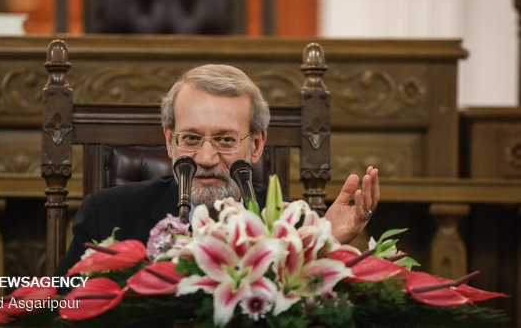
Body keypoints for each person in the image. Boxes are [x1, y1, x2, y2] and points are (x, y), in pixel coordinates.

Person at [55, 64, 379, 276]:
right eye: (192, 138)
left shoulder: (297, 227)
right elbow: (56, 313)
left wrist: (325, 247)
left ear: (255, 145)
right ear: (170, 141)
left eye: (225, 139)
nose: (206, 157)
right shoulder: (108, 215)